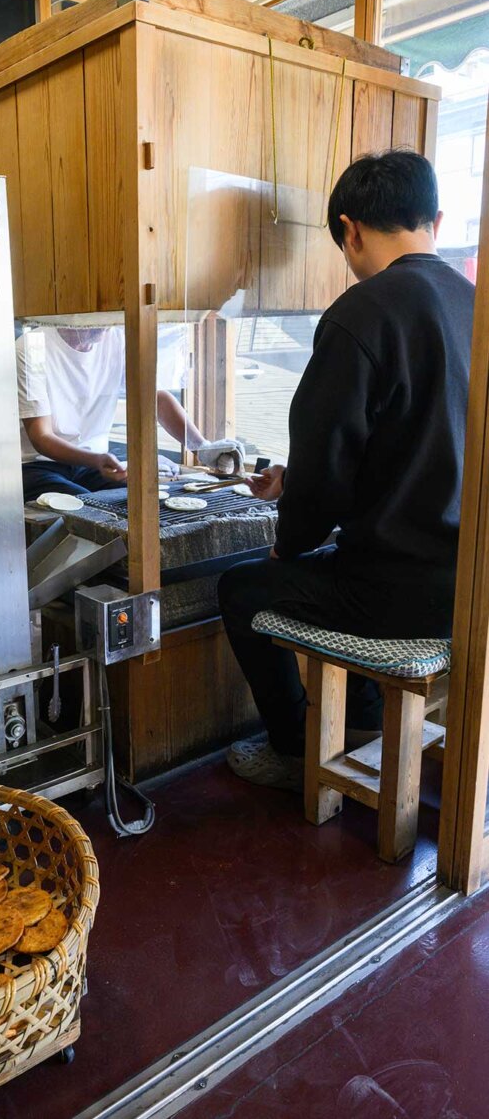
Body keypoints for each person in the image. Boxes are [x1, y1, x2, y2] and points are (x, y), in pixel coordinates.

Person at [218, 150, 475, 791]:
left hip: (402, 595)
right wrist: (296, 483)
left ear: (350, 229)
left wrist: (289, 538)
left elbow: (326, 469)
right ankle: (361, 727)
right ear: (435, 220)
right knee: (342, 561)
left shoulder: (362, 312)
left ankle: (293, 752)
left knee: (245, 588)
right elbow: (406, 447)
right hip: (470, 586)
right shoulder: (475, 304)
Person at [17, 323, 243, 502]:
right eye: (101, 319)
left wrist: (201, 447)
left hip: (91, 465)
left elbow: (155, 398)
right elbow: (41, 436)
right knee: (88, 508)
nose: (107, 327)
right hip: (39, 466)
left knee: (149, 499)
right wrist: (97, 461)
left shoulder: (115, 337)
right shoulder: (33, 346)